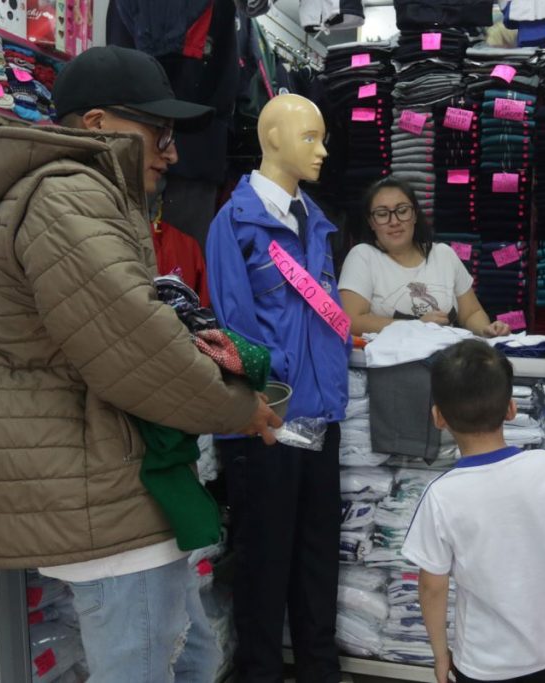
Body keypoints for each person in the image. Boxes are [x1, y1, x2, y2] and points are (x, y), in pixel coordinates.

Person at [0, 45, 281, 683]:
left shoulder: (84, 200)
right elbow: (138, 349)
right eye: (158, 131)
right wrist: (243, 410)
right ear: (99, 124)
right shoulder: (67, 198)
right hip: (103, 500)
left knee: (191, 657)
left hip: (121, 491)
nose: (172, 150)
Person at [205, 93, 350, 682]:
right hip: (266, 423)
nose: (323, 149)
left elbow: (329, 315)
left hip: (322, 420)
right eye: (310, 137)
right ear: (272, 141)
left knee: (318, 566)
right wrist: (272, 396)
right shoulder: (233, 223)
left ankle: (321, 672)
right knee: (264, 570)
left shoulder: (316, 223)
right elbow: (233, 329)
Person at [402, 340, 545, 683]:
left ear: (438, 417)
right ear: (511, 409)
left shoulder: (442, 495)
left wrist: (441, 653)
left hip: (484, 663)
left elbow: (432, 586)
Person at [339, 177, 512, 338]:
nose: (394, 221)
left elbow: (471, 313)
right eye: (382, 214)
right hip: (391, 366)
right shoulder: (363, 257)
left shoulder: (443, 255)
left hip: (445, 363)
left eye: (402, 210)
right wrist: (416, 326)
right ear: (371, 222)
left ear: (414, 215)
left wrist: (486, 329)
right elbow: (350, 320)